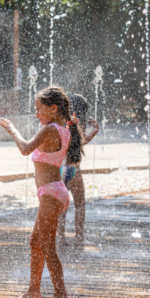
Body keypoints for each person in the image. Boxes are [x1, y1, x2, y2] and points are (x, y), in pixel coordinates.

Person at [0, 86, 83, 298]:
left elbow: (25, 148)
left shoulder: (50, 129)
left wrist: (13, 130)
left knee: (47, 246)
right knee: (36, 242)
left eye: (39, 109)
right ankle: (33, 291)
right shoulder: (63, 129)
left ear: (54, 109)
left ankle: (61, 295)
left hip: (51, 193)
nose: (36, 114)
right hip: (53, 192)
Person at [56, 94, 99, 250]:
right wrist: (96, 130)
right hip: (74, 170)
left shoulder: (61, 124)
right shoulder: (78, 125)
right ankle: (79, 239)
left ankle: (61, 239)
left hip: (60, 170)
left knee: (63, 206)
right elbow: (82, 141)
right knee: (80, 205)